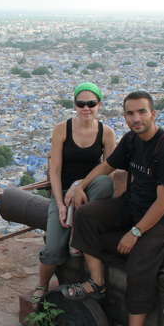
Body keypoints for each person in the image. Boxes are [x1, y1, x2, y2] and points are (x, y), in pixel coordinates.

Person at [63, 90, 164, 326]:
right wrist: (82, 184)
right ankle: (96, 281)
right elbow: (108, 165)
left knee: (139, 269)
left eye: (141, 112)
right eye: (130, 113)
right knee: (87, 215)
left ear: (153, 114)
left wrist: (135, 232)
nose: (136, 118)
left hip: (159, 221)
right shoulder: (132, 141)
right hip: (133, 205)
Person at [32, 82, 116, 303]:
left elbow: (109, 168)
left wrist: (80, 184)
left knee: (106, 183)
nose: (86, 108)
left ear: (99, 105)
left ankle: (78, 227)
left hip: (88, 191)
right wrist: (59, 203)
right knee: (52, 250)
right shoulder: (62, 129)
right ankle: (42, 285)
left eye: (91, 103)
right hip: (63, 193)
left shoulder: (106, 133)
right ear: (75, 105)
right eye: (81, 103)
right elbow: (56, 169)